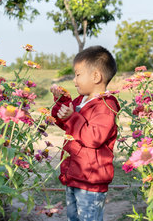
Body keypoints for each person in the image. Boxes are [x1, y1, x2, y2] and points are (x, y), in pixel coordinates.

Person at [50, 45, 120, 221]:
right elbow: (65, 123)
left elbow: (94, 137)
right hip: (74, 175)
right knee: (74, 217)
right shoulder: (81, 101)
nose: (74, 80)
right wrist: (61, 102)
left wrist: (72, 117)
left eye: (78, 74)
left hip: (91, 181)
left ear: (96, 76)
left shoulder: (106, 106)